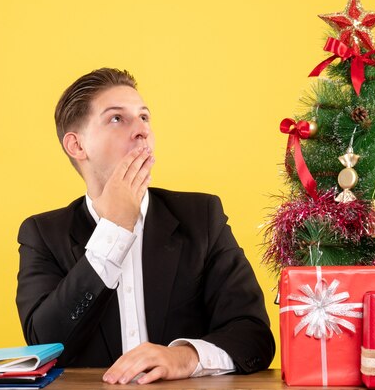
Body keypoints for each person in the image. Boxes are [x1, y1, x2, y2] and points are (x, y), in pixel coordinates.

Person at [15, 68, 275, 385]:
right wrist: (113, 230)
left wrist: (185, 357)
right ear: (77, 146)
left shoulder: (202, 217)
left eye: (144, 117)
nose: (141, 130)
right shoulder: (43, 234)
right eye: (117, 118)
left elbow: (254, 336)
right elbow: (47, 345)